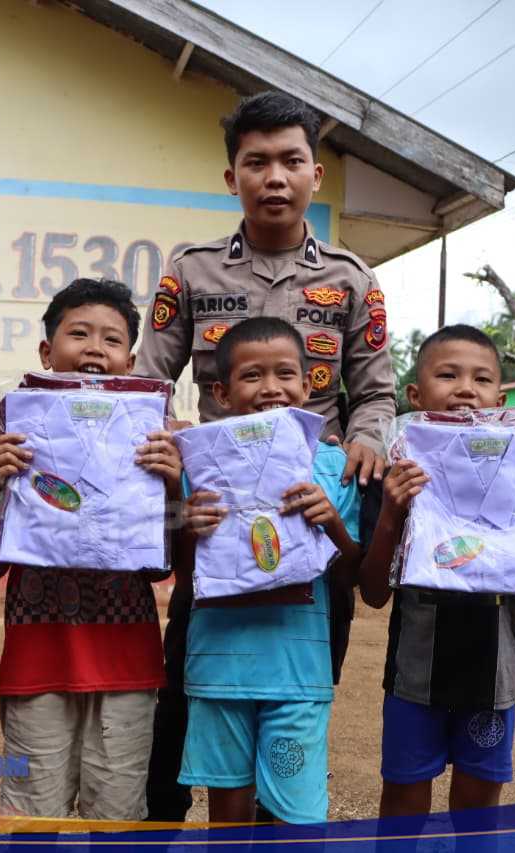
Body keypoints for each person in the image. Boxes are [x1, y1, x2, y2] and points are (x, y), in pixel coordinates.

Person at [138, 89, 395, 822]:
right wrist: (168, 439)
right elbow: (150, 379)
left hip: (312, 511)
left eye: (291, 161)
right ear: (232, 177)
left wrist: (367, 442)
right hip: (217, 515)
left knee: (305, 677)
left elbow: (376, 392)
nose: (274, 178)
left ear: (316, 174)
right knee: (189, 684)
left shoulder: (352, 278)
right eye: (256, 163)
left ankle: (283, 814)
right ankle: (174, 814)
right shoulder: (189, 271)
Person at [0, 279, 181, 820]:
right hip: (37, 657)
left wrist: (175, 484)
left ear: (131, 361)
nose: (95, 348)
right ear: (47, 351)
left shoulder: (157, 438)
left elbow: (174, 555)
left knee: (116, 815)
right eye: (79, 333)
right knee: (31, 816)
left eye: (112, 340)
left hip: (128, 662)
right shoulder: (13, 434)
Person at [358, 325, 515, 816]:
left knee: (479, 807)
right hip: (415, 676)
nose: (464, 388)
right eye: (447, 374)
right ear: (415, 394)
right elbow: (373, 593)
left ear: (499, 397)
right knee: (403, 798)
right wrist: (393, 512)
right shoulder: (400, 472)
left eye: (481, 379)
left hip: (493, 677)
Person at [177, 317, 372, 824]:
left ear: (309, 386)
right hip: (218, 668)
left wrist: (330, 521)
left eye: (285, 373)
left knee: (297, 821)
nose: (271, 388)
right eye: (252, 376)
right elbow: (182, 572)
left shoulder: (334, 468)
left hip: (298, 675)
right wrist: (186, 526)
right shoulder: (194, 464)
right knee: (228, 814)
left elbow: (353, 572)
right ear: (221, 392)